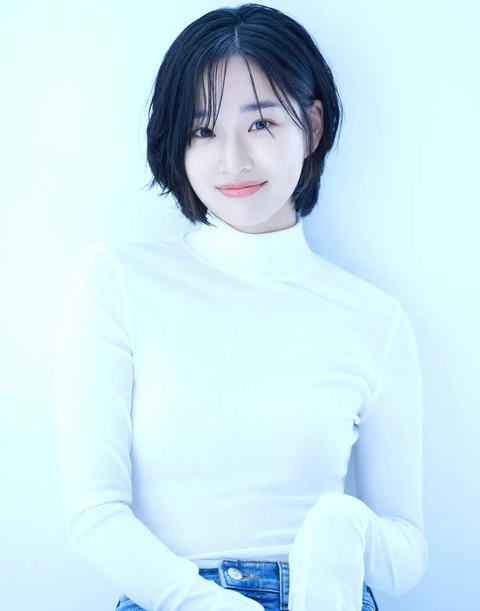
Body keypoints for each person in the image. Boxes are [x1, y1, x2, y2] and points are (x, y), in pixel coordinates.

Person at [53, 4, 428, 611]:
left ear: (312, 125)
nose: (232, 160)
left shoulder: (374, 319)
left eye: (260, 124)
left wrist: (343, 529)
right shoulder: (117, 280)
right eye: (202, 131)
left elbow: (407, 549)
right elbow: (94, 514)